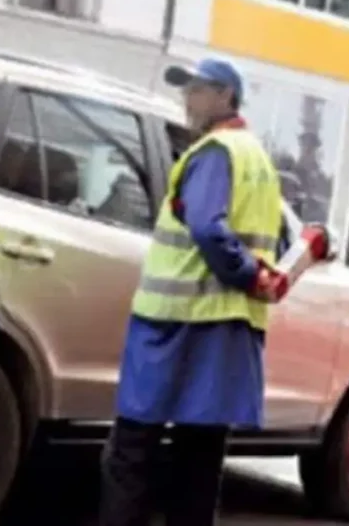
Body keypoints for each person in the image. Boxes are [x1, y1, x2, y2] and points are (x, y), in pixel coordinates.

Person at [98, 58, 285, 526]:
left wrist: (243, 273)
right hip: (225, 327)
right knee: (198, 459)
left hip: (174, 323)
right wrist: (256, 276)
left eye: (199, 90)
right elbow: (275, 238)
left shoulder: (215, 152)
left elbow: (205, 225)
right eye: (188, 90)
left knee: (132, 452)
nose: (188, 99)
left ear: (226, 97)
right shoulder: (256, 158)